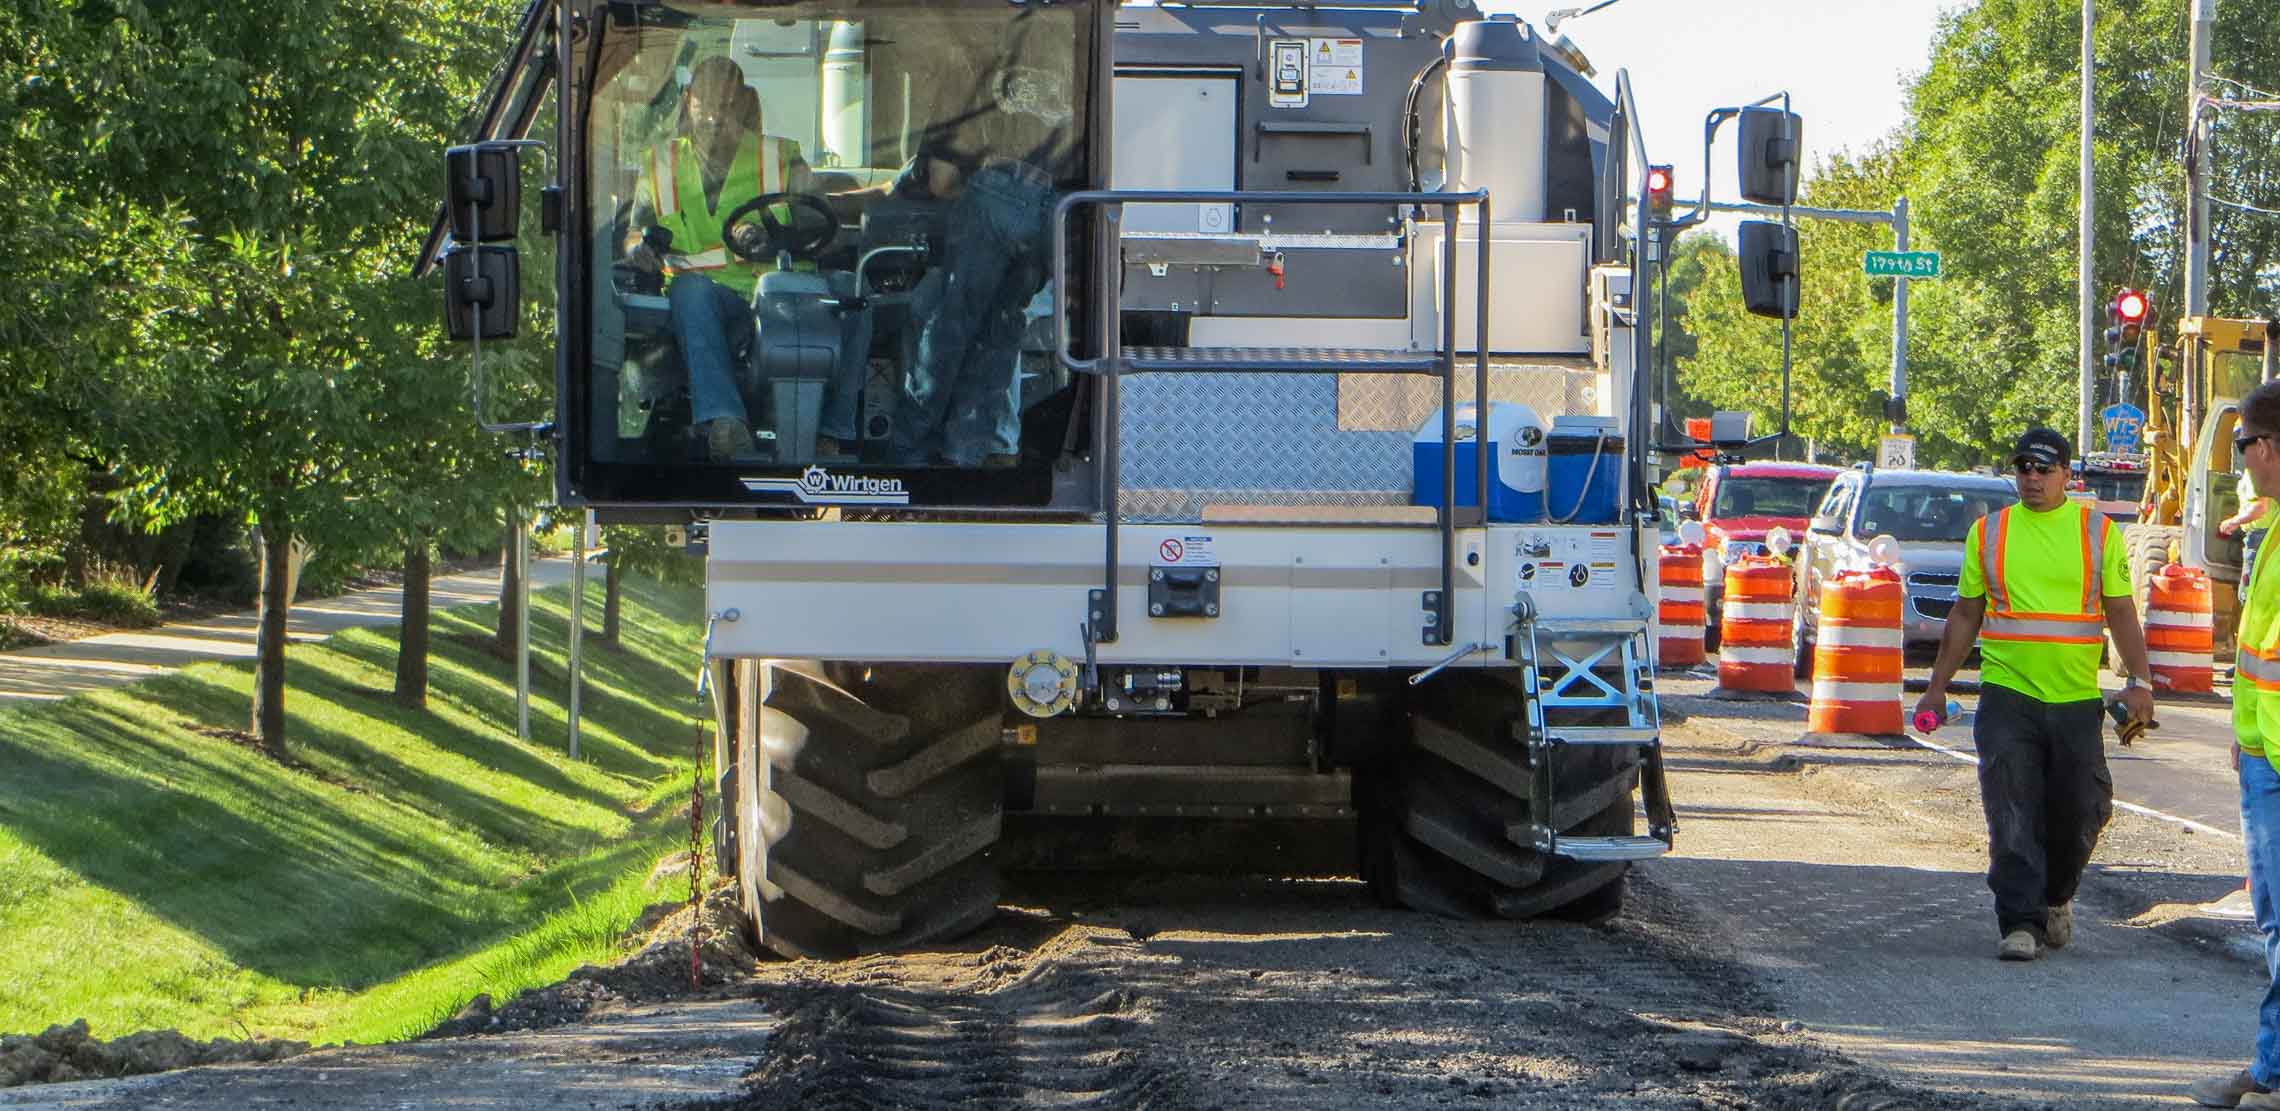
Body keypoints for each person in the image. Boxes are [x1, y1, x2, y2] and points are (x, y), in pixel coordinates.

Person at [1914, 427, 2156, 963]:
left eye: (2044, 469)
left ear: (2068, 475)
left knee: (2083, 809)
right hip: (2007, 694)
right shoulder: (1990, 533)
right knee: (2012, 809)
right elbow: (1965, 614)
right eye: (2023, 467)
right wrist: (1936, 688)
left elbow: (2120, 611)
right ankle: (2019, 922)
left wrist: (2140, 683)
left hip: (2073, 699)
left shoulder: (2096, 532)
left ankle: (2055, 897)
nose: (2032, 478)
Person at [624, 57, 813, 461]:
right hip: (700, 310)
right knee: (690, 290)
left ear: (747, 105)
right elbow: (634, 231)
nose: (713, 116)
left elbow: (821, 231)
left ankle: (824, 436)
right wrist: (637, 249)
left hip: (777, 306)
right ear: (687, 101)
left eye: (726, 105)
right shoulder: (660, 164)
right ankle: (726, 426)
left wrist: (777, 238)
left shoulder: (782, 158)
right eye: (704, 103)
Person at [2193, 383, 2280, 1109]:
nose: (2240, 459)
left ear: (2267, 448)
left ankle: (2273, 1070)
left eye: (2243, 444)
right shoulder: (2275, 523)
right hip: (2265, 754)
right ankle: (2271, 1066)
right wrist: (2245, 737)